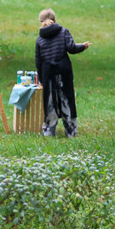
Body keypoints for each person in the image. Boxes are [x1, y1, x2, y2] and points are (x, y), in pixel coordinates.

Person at [35, 8, 90, 137]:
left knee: (50, 101)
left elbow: (38, 61)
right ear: (55, 19)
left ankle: (49, 130)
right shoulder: (63, 32)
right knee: (66, 98)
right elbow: (71, 48)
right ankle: (71, 130)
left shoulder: (40, 39)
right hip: (63, 70)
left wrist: (41, 80)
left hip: (48, 71)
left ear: (40, 22)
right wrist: (83, 46)